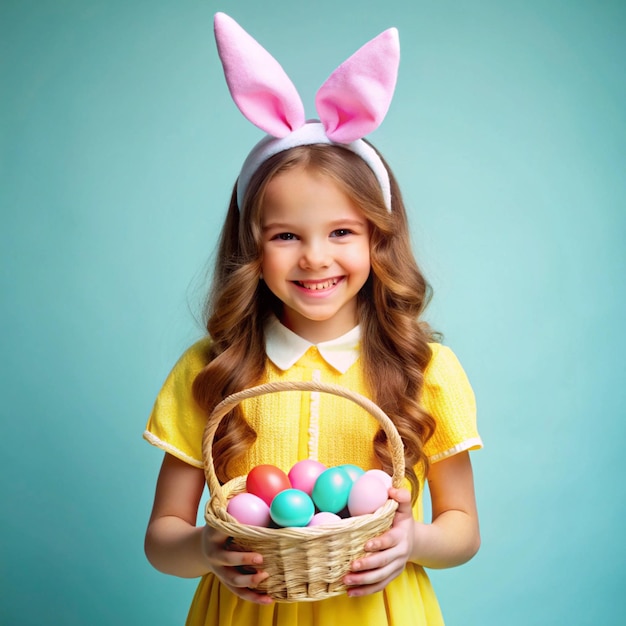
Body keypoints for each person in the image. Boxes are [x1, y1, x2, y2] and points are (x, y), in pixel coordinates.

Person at [144, 12, 482, 626]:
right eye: (285, 235)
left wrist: (413, 543)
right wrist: (205, 550)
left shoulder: (424, 367)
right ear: (252, 247)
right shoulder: (210, 368)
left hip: (378, 611)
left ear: (379, 240)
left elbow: (463, 529)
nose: (316, 257)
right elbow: (162, 538)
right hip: (244, 612)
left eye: (342, 232)